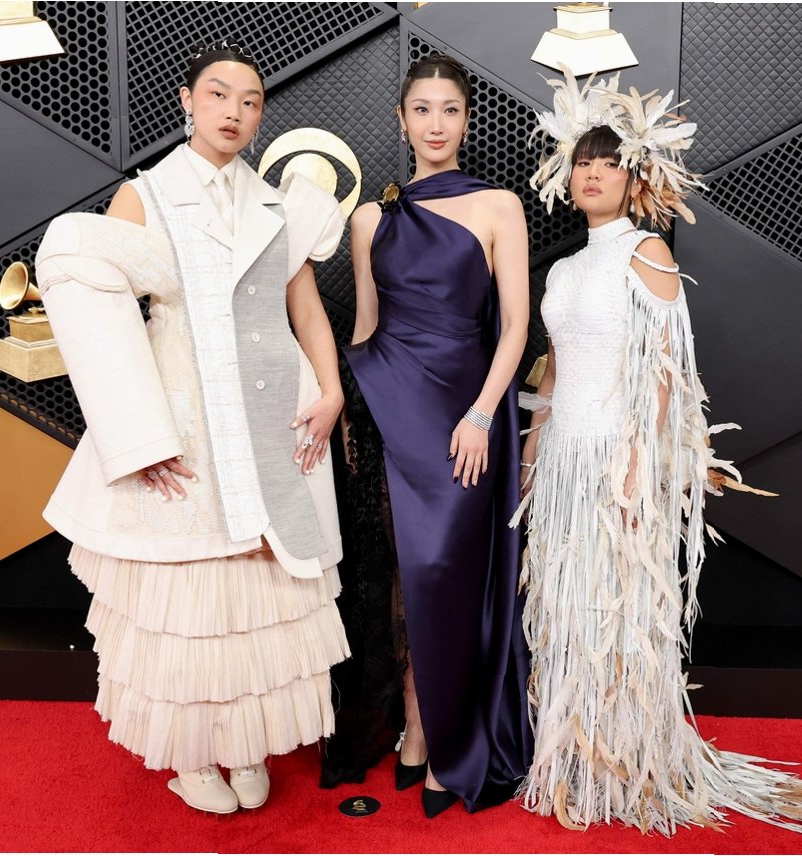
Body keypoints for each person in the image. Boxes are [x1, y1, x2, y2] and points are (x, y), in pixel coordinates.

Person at [515, 68, 802, 839]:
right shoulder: (563, 270)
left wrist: (641, 466)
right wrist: (534, 459)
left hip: (618, 462)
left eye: (608, 163)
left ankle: (628, 766)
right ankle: (576, 762)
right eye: (582, 162)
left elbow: (669, 372)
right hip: (564, 464)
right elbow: (555, 371)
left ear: (634, 176)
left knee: (617, 615)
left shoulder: (648, 253)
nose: (592, 173)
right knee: (568, 613)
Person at [32, 39, 350, 815]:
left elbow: (305, 307)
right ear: (186, 100)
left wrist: (332, 389)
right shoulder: (144, 196)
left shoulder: (278, 203)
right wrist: (134, 433)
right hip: (185, 420)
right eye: (218, 94)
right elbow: (100, 321)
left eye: (250, 100)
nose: (234, 112)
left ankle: (244, 746)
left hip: (275, 412)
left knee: (259, 592)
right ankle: (193, 756)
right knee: (190, 598)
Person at [324, 52, 533, 817]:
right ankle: (414, 726)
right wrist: (354, 417)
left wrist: (482, 413)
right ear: (402, 120)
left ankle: (452, 740)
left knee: (446, 575)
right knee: (398, 581)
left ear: (467, 120)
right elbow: (365, 327)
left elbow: (516, 325)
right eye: (422, 109)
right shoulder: (370, 218)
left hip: (463, 419)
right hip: (387, 411)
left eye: (449, 110)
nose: (436, 124)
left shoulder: (498, 206)